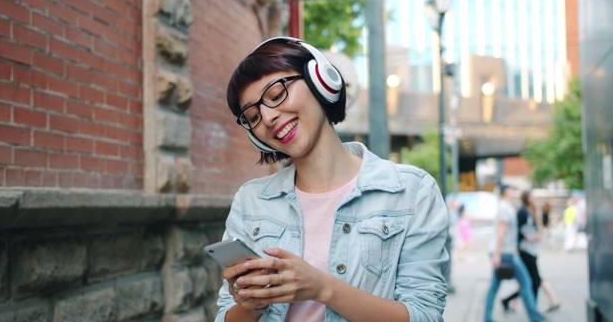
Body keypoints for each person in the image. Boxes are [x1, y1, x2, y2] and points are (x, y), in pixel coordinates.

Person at [215, 36, 449, 321]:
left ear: (320, 81)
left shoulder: (411, 191)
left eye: (276, 95)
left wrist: (322, 287)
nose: (268, 117)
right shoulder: (251, 202)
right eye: (252, 116)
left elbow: (424, 315)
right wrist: (251, 305)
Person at [483, 185, 545, 322]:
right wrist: (497, 255)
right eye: (512, 189)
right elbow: (501, 233)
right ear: (506, 192)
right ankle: (535, 318)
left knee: (496, 286)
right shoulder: (504, 208)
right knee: (526, 283)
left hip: (507, 252)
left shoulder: (507, 207)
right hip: (505, 253)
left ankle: (487, 318)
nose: (514, 192)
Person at [500, 190, 561, 314]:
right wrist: (530, 238)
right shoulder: (523, 212)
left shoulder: (530, 211)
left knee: (527, 281)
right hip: (525, 251)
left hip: (531, 251)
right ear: (526, 198)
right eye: (531, 196)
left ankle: (511, 303)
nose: (534, 198)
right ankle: (532, 308)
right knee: (534, 281)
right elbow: (517, 232)